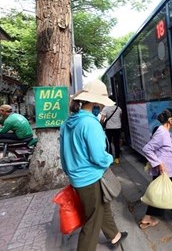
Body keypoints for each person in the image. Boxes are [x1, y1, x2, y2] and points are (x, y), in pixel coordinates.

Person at [60, 80, 127, 251]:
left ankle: (115, 236)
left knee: (101, 207)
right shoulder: (90, 123)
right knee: (92, 220)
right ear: (96, 102)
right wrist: (109, 159)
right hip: (89, 178)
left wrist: (71, 172)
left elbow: (64, 153)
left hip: (77, 177)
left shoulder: (69, 122)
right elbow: (98, 157)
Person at [139, 108, 172, 229]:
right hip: (163, 169)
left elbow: (171, 148)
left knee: (160, 193)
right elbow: (147, 149)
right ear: (170, 120)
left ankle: (147, 218)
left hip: (167, 169)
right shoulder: (162, 132)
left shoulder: (167, 132)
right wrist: (158, 163)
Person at [100, 95, 123, 165]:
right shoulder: (118, 108)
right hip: (117, 128)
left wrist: (101, 124)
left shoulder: (105, 109)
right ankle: (117, 158)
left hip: (109, 128)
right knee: (116, 143)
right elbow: (120, 116)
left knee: (108, 143)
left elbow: (102, 119)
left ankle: (110, 159)